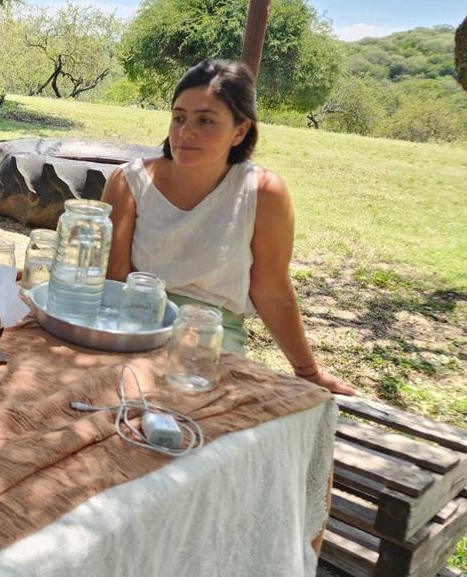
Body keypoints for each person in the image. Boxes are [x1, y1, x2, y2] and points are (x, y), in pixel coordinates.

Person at [102, 58, 354, 395]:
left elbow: (271, 290)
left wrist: (307, 372)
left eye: (205, 120)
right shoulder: (129, 181)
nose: (185, 132)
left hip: (211, 337)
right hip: (136, 322)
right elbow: (113, 278)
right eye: (179, 118)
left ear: (240, 130)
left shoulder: (261, 193)